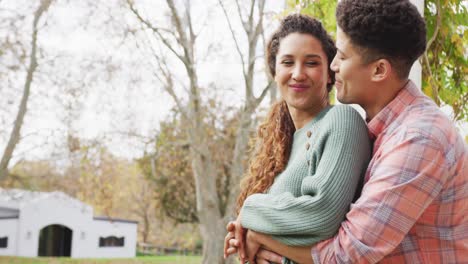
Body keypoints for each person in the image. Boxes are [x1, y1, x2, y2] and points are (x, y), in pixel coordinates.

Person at [226, 0, 468, 263]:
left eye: (341, 57)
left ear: (379, 70)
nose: (333, 66)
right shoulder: (386, 132)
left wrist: (258, 233)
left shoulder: (419, 138)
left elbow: (347, 254)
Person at [223, 14, 371, 264]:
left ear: (330, 73)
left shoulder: (342, 121)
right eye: (288, 62)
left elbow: (322, 215)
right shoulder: (280, 142)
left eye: (311, 63)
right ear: (275, 72)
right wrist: (246, 240)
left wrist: (251, 215)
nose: (298, 74)